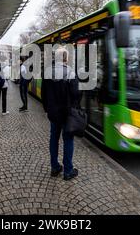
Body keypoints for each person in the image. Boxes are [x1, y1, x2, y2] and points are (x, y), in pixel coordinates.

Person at [42, 47, 80, 181]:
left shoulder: (47, 72)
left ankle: (54, 167)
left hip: (53, 113)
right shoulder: (70, 72)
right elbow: (76, 94)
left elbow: (44, 93)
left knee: (54, 139)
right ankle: (68, 171)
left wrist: (47, 108)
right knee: (68, 140)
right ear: (66, 58)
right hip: (67, 113)